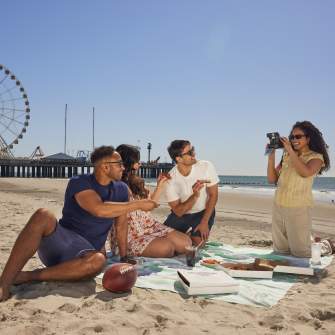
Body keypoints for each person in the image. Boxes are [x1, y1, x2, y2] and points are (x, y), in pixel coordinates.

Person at [0, 145, 158, 302]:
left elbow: (121, 225)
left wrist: (124, 256)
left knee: (99, 260)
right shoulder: (79, 182)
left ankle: (28, 276)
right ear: (105, 167)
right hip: (60, 244)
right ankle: (4, 283)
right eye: (119, 164)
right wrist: (138, 204)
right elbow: (98, 209)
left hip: (85, 254)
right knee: (43, 214)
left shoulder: (122, 189)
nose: (123, 168)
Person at [110, 144, 191, 257]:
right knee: (167, 248)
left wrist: (160, 185)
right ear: (129, 162)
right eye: (137, 160)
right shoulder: (115, 186)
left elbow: (150, 206)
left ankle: (160, 247)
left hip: (149, 226)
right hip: (131, 235)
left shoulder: (136, 182)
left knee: (186, 243)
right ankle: (161, 248)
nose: (140, 163)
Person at [267, 121, 330, 257]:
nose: (294, 140)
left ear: (308, 138)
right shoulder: (287, 156)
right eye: (292, 137)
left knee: (301, 253)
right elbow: (272, 179)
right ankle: (311, 240)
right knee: (281, 251)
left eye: (298, 136)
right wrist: (271, 156)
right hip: (278, 206)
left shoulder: (316, 157)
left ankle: (326, 245)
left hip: (298, 208)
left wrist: (290, 150)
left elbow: (305, 172)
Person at [163, 140, 219, 245]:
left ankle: (189, 236)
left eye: (192, 149)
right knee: (164, 242)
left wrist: (204, 222)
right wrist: (195, 195)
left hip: (203, 212)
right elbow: (179, 211)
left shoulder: (206, 166)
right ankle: (186, 236)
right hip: (181, 215)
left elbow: (213, 195)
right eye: (189, 153)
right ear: (178, 159)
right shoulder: (170, 180)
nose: (194, 154)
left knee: (196, 245)